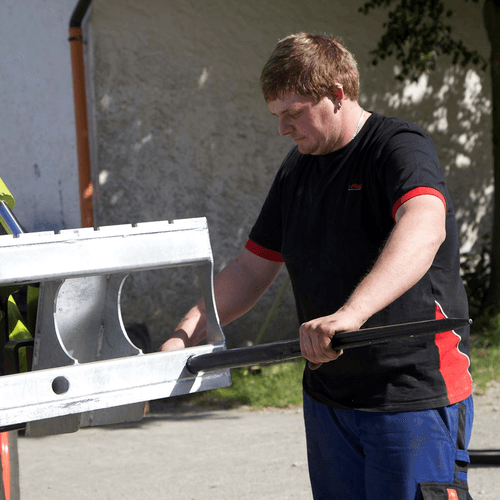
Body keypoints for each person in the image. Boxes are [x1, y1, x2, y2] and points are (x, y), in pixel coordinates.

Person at [161, 33, 474, 500]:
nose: (282, 129)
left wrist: (350, 315)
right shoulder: (297, 169)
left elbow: (425, 225)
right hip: (329, 397)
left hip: (411, 393)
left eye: (293, 112)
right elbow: (251, 268)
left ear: (337, 94)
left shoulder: (397, 146)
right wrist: (185, 334)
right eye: (276, 115)